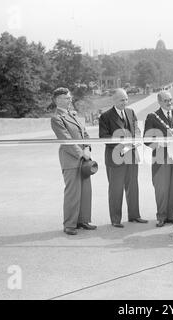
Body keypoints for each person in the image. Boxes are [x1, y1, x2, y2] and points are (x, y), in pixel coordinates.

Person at [99, 88, 148, 228]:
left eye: (126, 99)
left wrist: (137, 138)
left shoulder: (131, 112)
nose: (125, 102)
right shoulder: (105, 116)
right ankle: (115, 219)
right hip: (115, 157)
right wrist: (123, 142)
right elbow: (104, 137)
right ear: (113, 100)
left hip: (131, 156)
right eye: (121, 100)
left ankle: (134, 215)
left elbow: (136, 129)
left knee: (133, 187)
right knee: (116, 189)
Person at [50, 87, 96, 235]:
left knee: (85, 191)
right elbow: (66, 140)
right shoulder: (56, 118)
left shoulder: (73, 114)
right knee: (73, 193)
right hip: (71, 160)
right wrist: (81, 153)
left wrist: (88, 148)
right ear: (57, 100)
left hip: (84, 158)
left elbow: (85, 134)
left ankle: (83, 221)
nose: (69, 100)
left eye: (70, 98)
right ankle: (69, 224)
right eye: (66, 98)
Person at [144, 91, 173, 227]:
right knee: (162, 187)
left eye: (171, 100)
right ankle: (161, 216)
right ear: (160, 102)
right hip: (161, 156)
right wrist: (163, 140)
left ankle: (172, 215)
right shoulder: (152, 117)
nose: (169, 103)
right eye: (166, 100)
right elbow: (147, 139)